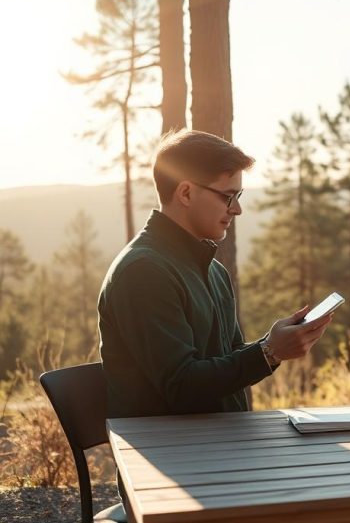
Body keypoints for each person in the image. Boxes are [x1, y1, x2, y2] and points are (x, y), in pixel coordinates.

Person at [99, 130, 333, 419]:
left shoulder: (213, 271)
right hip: (169, 453)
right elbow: (181, 385)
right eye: (228, 196)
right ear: (185, 193)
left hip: (218, 442)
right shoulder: (143, 272)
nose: (237, 209)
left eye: (239, 196)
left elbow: (229, 359)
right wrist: (269, 351)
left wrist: (271, 346)